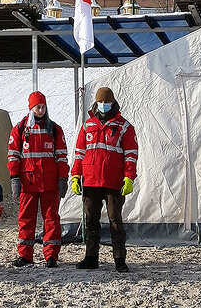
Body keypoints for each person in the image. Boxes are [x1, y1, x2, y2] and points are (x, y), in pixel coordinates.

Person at [71, 86, 138, 273]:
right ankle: (91, 257)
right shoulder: (88, 126)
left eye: (107, 102)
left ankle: (119, 259)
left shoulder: (124, 126)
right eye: (100, 102)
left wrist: (129, 178)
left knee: (115, 220)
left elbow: (131, 155)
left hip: (113, 181)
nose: (103, 105)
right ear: (96, 103)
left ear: (113, 103)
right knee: (91, 219)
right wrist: (75, 175)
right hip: (91, 180)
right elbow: (79, 153)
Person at [7, 91, 68, 268]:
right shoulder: (20, 128)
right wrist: (14, 178)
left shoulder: (55, 129)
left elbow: (62, 156)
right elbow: (13, 155)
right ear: (31, 107)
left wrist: (63, 178)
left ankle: (51, 257)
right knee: (26, 219)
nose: (41, 110)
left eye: (43, 106)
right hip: (28, 183)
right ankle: (25, 256)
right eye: (37, 107)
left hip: (50, 183)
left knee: (51, 219)